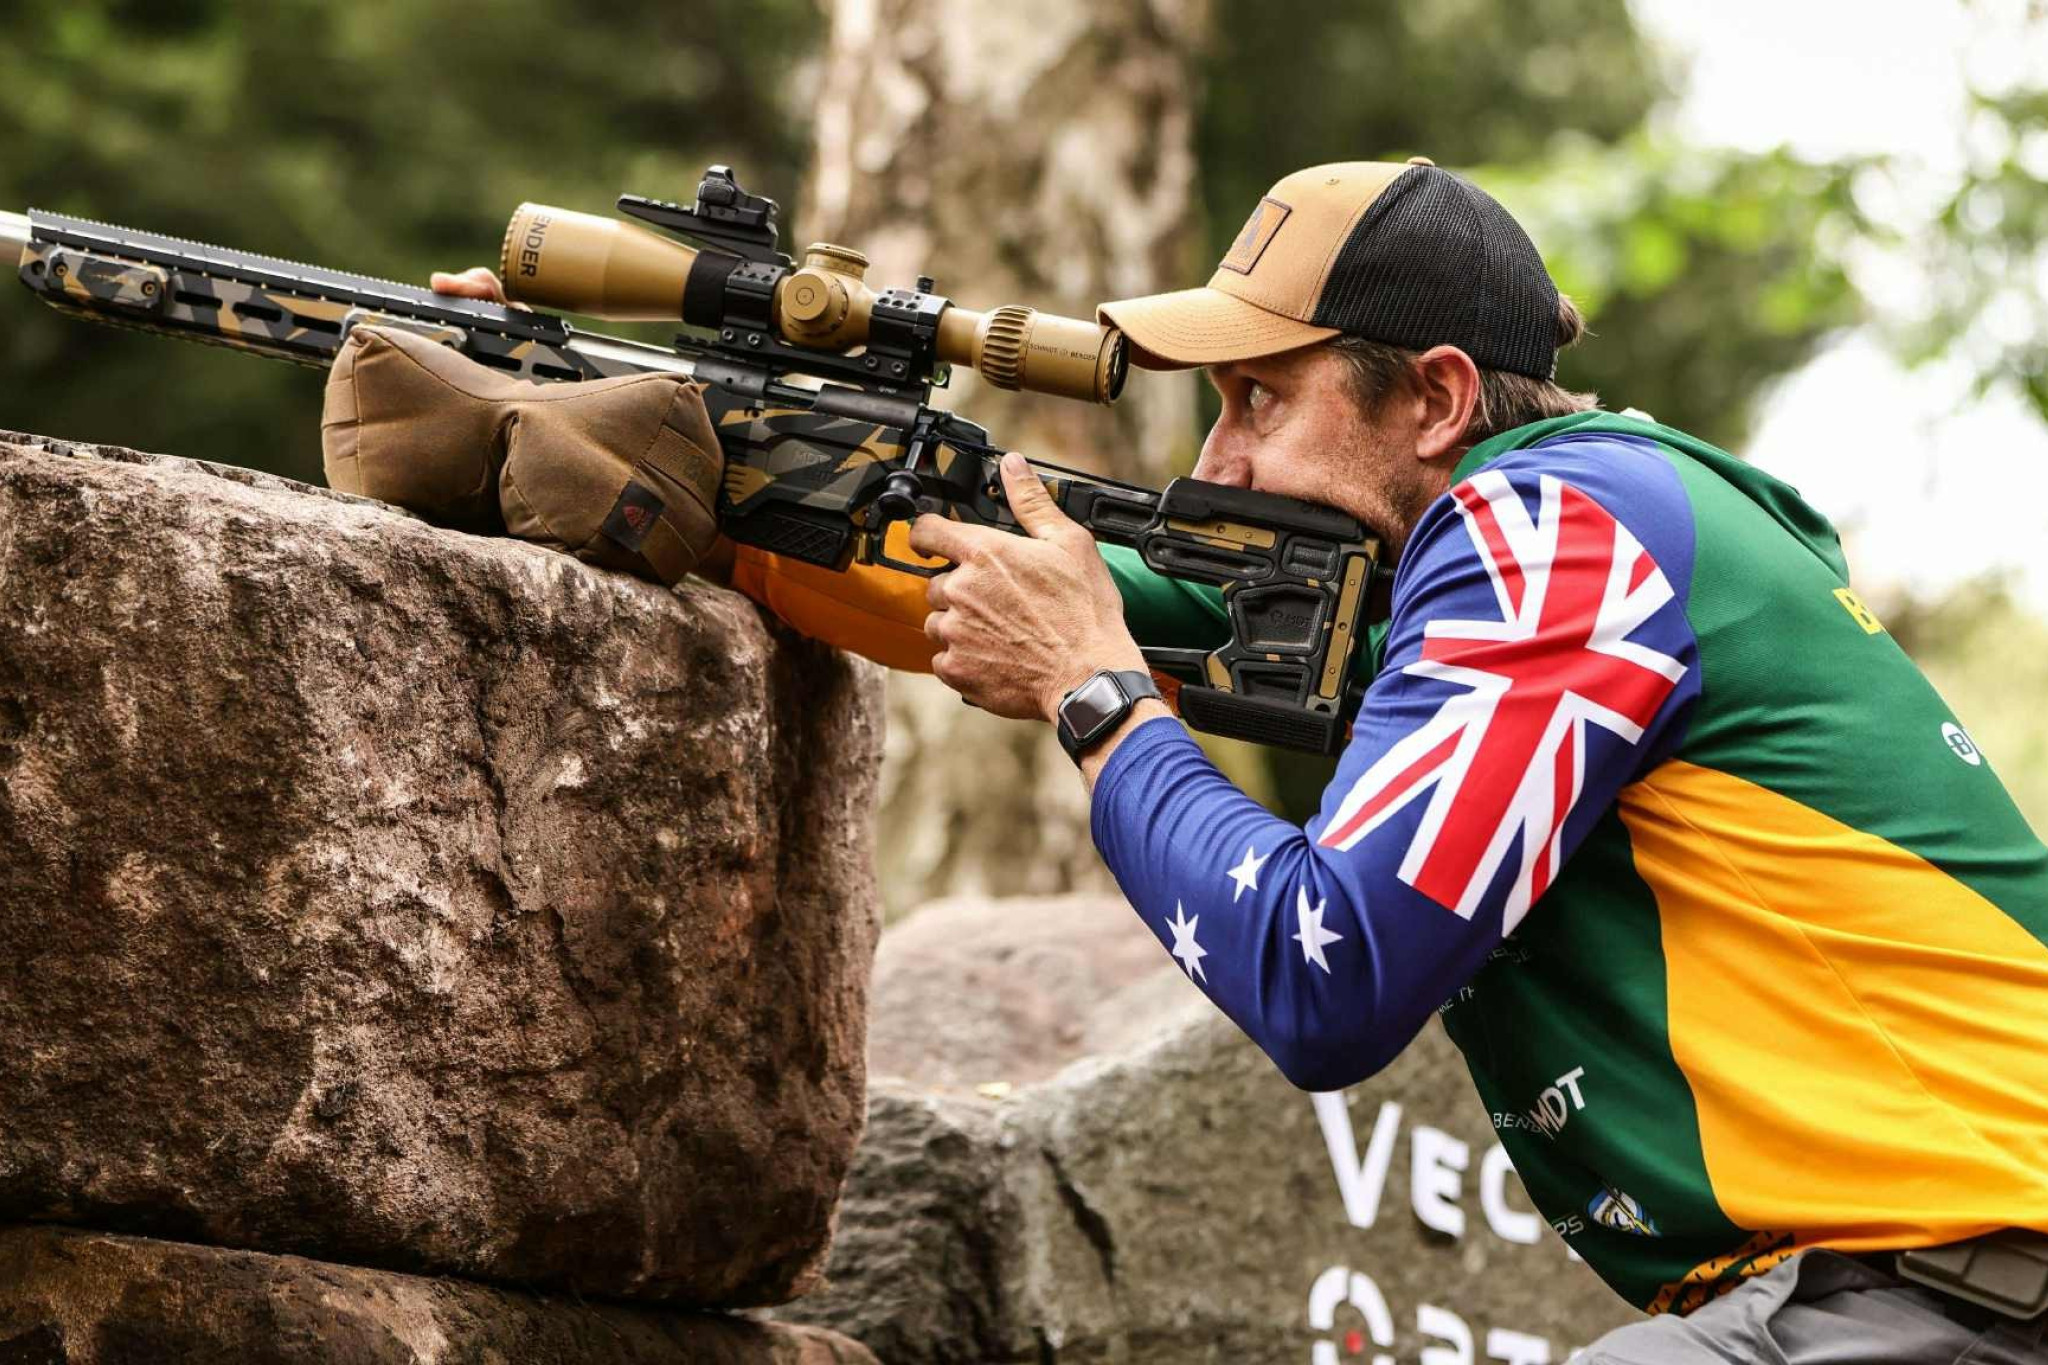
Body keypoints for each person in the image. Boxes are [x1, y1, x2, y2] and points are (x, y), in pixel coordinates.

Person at [436, 160, 2048, 1362]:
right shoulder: (1505, 554)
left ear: (1434, 398)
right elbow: (1042, 570)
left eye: (1259, 402)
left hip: (1951, 1289)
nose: (1218, 462)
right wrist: (645, 432)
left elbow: (1324, 973)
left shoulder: (1553, 533)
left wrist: (1098, 706)